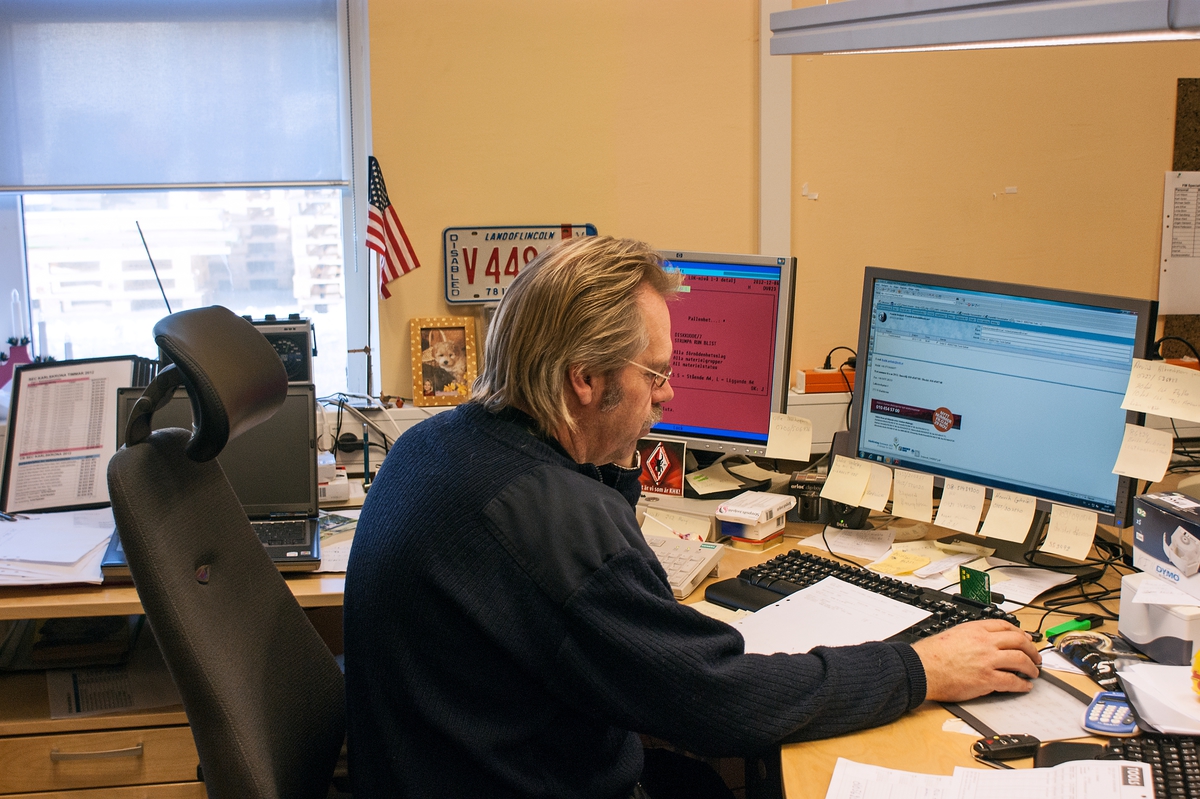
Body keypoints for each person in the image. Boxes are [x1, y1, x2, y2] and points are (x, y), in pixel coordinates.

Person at [343, 236, 1041, 799]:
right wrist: (920, 667)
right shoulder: (557, 524)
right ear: (585, 378)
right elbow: (721, 704)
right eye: (655, 374)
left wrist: (611, 457)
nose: (668, 395)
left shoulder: (434, 444)